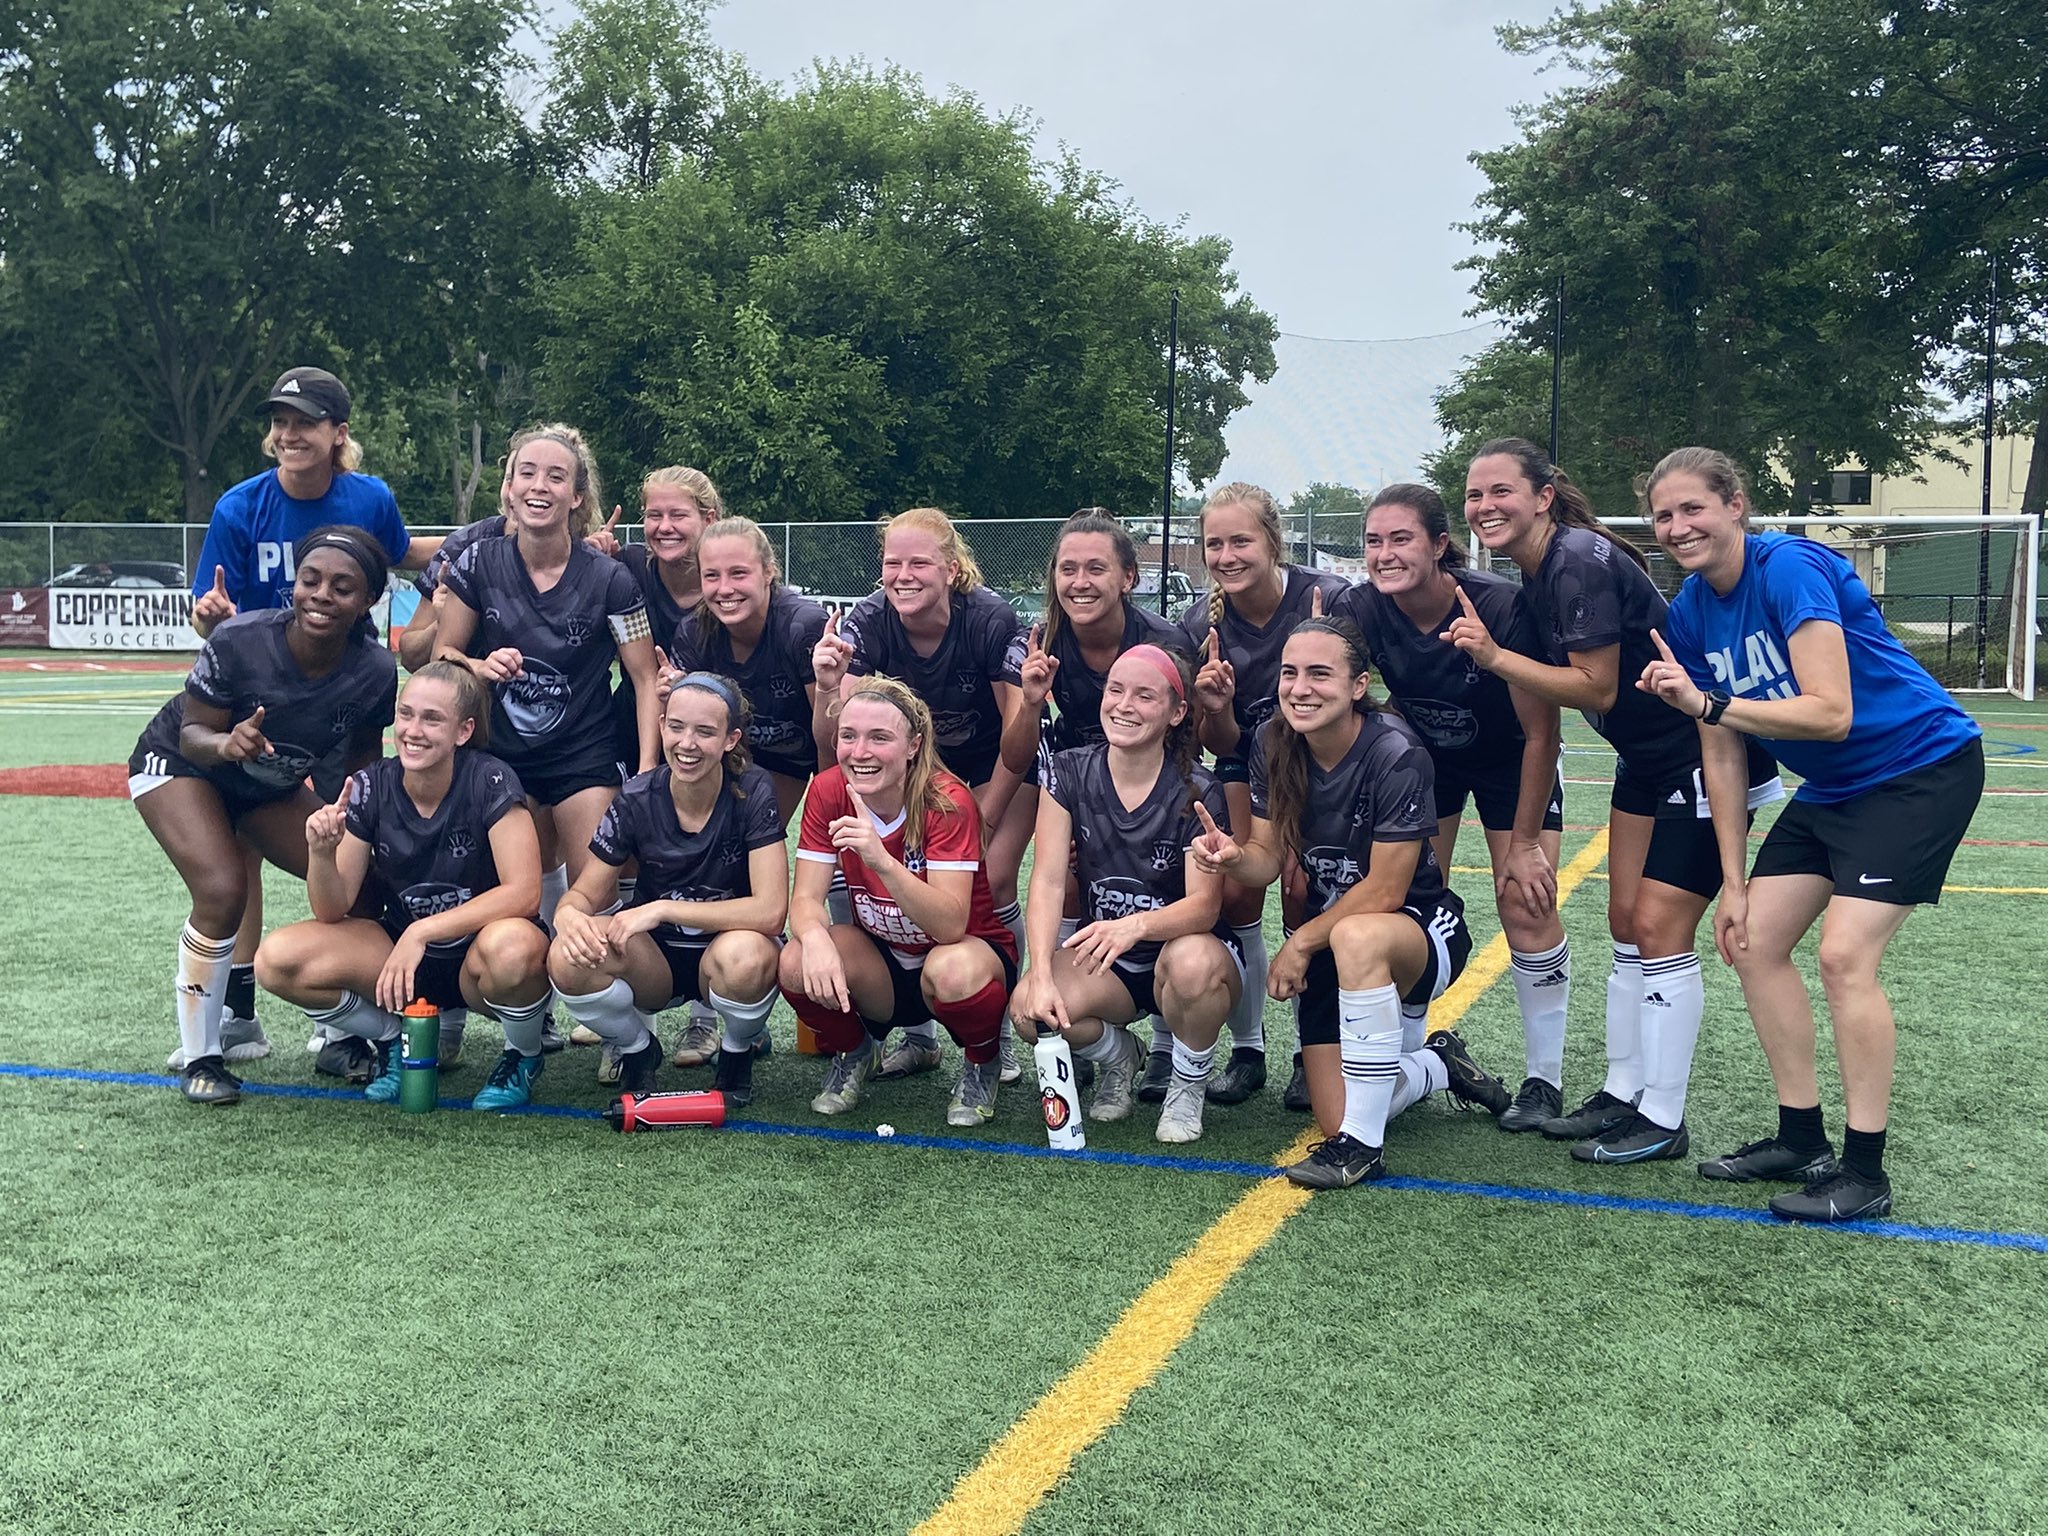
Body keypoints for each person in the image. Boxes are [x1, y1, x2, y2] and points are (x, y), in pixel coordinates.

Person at [1640, 447, 1985, 1222]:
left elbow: (1831, 712)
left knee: (1843, 957)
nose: (1678, 526)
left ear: (1735, 505)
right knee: (1753, 939)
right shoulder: (1691, 609)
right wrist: (1732, 883)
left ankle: (1865, 1172)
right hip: (1833, 788)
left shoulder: (1788, 568)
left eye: (1693, 507)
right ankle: (1802, 1139)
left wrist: (1708, 704)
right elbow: (1721, 752)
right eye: (1665, 515)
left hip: (1920, 767)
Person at [1446, 437, 1780, 1165]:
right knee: (1625, 919)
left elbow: (1595, 687)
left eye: (1500, 490)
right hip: (1645, 760)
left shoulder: (1574, 561)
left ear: (1543, 495)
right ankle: (1624, 1093)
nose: (1485, 506)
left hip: (1699, 754)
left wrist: (1494, 656)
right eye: (1474, 495)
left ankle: (1663, 1117)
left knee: (1659, 928)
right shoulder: (1537, 570)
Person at [1189, 619, 1507, 1187]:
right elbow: (1266, 854)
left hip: (1418, 928)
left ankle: (1360, 1150)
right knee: (1333, 1110)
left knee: (1354, 935)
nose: (1300, 688)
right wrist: (1234, 857)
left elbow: (1385, 891)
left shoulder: (1396, 750)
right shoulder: (1271, 740)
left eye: (1319, 674)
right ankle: (1437, 1064)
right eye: (1290, 673)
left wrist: (1301, 943)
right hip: (1331, 939)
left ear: (1359, 686)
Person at [185, 366, 437, 1069]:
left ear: (338, 434)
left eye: (305, 422)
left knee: (350, 833)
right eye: (281, 422)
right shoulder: (241, 507)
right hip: (256, 699)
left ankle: (344, 1016)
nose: (289, 434)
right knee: (239, 842)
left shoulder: (368, 498)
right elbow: (214, 617)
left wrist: (503, 532)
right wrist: (206, 619)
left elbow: (402, 554)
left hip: (342, 694)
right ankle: (237, 1012)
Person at [128, 526, 397, 1105]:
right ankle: (202, 1056)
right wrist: (228, 745)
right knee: (223, 890)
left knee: (360, 883)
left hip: (263, 783)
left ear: (368, 601)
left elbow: (357, 766)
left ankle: (345, 1031)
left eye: (342, 587)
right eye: (311, 580)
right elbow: (193, 732)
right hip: (183, 764)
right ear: (293, 585)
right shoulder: (240, 640)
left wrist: (354, 831)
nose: (322, 594)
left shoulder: (375, 669)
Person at [1332, 485, 1570, 1132]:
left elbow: (1542, 732)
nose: (1384, 554)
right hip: (1427, 761)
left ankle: (1543, 1081)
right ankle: (1416, 1053)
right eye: (1374, 541)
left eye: (1401, 538)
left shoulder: (1497, 606)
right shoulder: (1360, 606)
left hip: (1512, 757)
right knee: (1404, 901)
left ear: (1440, 545)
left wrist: (1523, 842)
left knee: (1526, 900)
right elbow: (1327, 671)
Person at [252, 662, 554, 1109]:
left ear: (464, 731)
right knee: (277, 960)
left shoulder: (489, 779)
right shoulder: (373, 784)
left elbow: (524, 892)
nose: (413, 730)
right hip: (404, 963)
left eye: (432, 719)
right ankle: (395, 1043)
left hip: (479, 958)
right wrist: (321, 852)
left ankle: (523, 1055)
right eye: (406, 714)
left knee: (512, 948)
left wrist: (423, 930)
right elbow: (332, 910)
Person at [811, 507, 1031, 1083]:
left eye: (918, 562)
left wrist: (985, 811)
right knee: (874, 873)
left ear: (953, 570)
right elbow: (844, 737)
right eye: (891, 562)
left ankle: (996, 1032)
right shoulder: (868, 619)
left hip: (990, 763)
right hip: (902, 762)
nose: (902, 574)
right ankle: (917, 1033)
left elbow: (1018, 738)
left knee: (994, 879)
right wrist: (830, 687)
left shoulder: (987, 618)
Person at [1009, 646, 1243, 1144]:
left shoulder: (1197, 787)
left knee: (1192, 965)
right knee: (1031, 1008)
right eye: (1116, 690)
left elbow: (1205, 906)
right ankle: (1122, 1057)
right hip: (1110, 959)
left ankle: (1187, 1082)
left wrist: (1134, 925)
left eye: (1144, 695)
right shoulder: (1069, 771)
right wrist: (1042, 973)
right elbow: (1048, 879)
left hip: (1186, 953)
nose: (1124, 705)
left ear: (1177, 713)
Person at [433, 424, 661, 922]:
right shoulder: (477, 562)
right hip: (504, 755)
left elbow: (644, 678)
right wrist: (478, 665)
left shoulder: (611, 579)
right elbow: (442, 653)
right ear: (509, 490)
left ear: (577, 496)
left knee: (594, 905)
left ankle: (599, 995)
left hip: (584, 754)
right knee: (515, 910)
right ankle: (536, 996)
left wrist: (645, 771)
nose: (539, 486)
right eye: (527, 473)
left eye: (556, 477)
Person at [1177, 482, 1352, 1108]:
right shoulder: (1199, 624)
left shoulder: (1326, 599)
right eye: (1214, 543)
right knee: (1240, 886)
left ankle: (1315, 1052)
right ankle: (1249, 1049)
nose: (1226, 554)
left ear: (1273, 541)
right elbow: (1217, 739)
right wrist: (1217, 706)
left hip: (1319, 764)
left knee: (1306, 893)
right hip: (1244, 767)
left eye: (1241, 540)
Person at [781, 675, 1018, 1127]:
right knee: (795, 961)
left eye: (879, 738)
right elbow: (806, 899)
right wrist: (813, 937)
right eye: (848, 736)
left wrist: (883, 861)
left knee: (950, 970)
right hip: (885, 962)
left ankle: (982, 1060)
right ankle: (857, 1052)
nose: (860, 752)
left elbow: (950, 925)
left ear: (913, 746)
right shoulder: (830, 790)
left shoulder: (946, 800)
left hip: (963, 958)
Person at [548, 673, 788, 1109]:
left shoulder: (753, 789)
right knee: (566, 956)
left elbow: (771, 912)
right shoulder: (637, 795)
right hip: (655, 962)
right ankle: (638, 1049)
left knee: (747, 957)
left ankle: (735, 1054)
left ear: (732, 739)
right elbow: (582, 896)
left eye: (705, 731)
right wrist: (567, 915)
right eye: (676, 727)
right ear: (660, 726)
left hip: (726, 949)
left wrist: (663, 909)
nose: (687, 743)